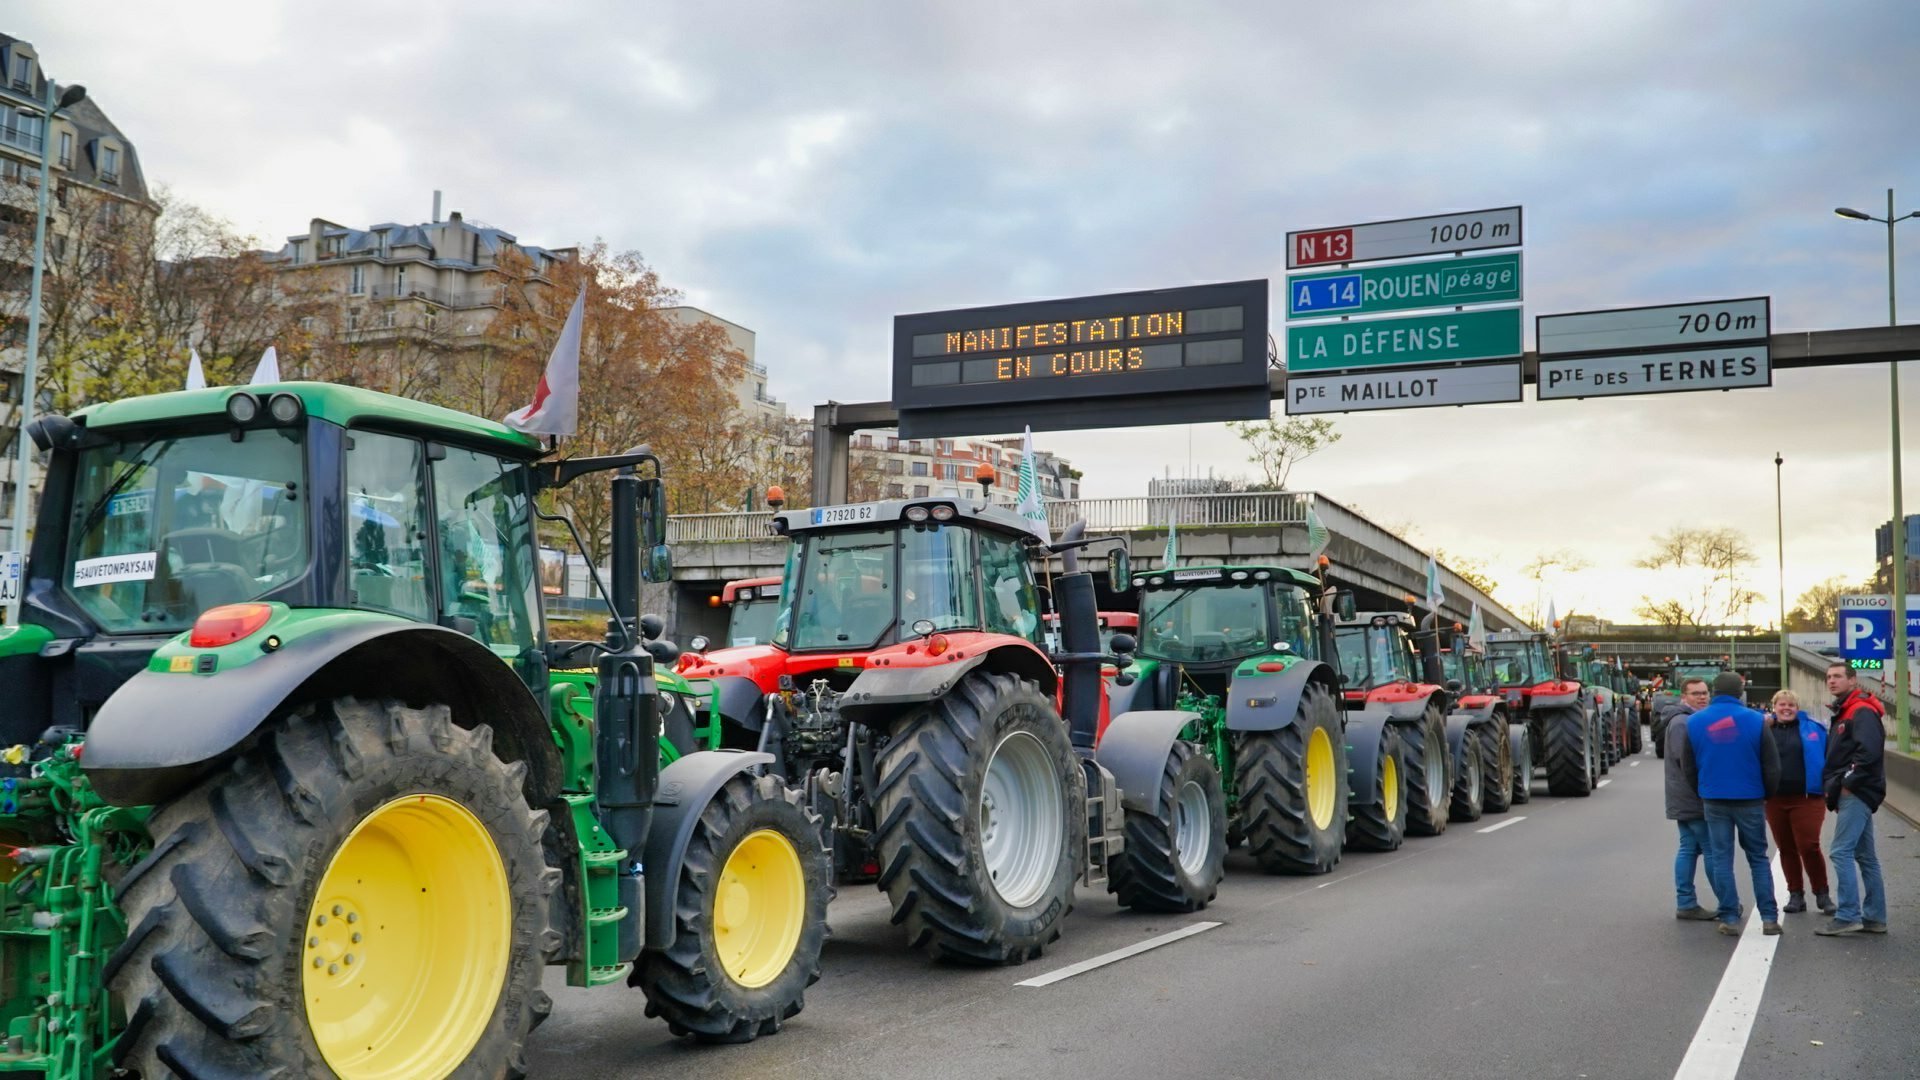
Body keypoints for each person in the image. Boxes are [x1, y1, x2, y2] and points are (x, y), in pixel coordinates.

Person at [1686, 671, 1782, 936]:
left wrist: (1702, 791)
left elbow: (1688, 766)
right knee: (1758, 858)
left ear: (1714, 692)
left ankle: (1729, 917)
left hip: (1714, 798)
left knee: (1721, 859)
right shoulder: (1756, 720)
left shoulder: (1694, 722)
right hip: (1750, 798)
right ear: (1740, 693)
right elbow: (1772, 765)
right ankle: (1769, 918)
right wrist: (1766, 794)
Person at [1815, 662, 1888, 936]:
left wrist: (1846, 783)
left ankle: (1847, 915)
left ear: (1853, 680)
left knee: (1840, 851)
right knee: (1865, 856)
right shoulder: (1847, 710)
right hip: (1858, 790)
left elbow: (1868, 754)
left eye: (1837, 676)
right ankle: (1875, 918)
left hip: (1857, 791)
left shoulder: (1860, 711)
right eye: (1828, 677)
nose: (1831, 681)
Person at [1763, 689, 1833, 915]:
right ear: (1774, 708)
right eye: (1782, 705)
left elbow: (1829, 757)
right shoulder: (1764, 729)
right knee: (1786, 848)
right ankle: (1795, 894)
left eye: (1791, 705)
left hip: (1807, 798)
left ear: (1797, 708)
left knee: (1809, 845)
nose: (1786, 708)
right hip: (1775, 799)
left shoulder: (1814, 729)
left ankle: (1822, 893)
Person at [1665, 677, 1723, 921]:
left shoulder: (1687, 720)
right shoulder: (1683, 722)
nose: (1702, 697)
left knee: (1689, 848)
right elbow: (1687, 761)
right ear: (1683, 697)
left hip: (1683, 797)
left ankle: (1686, 902)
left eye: (1705, 693)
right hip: (1693, 797)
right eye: (1696, 693)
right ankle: (1726, 902)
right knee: (1710, 849)